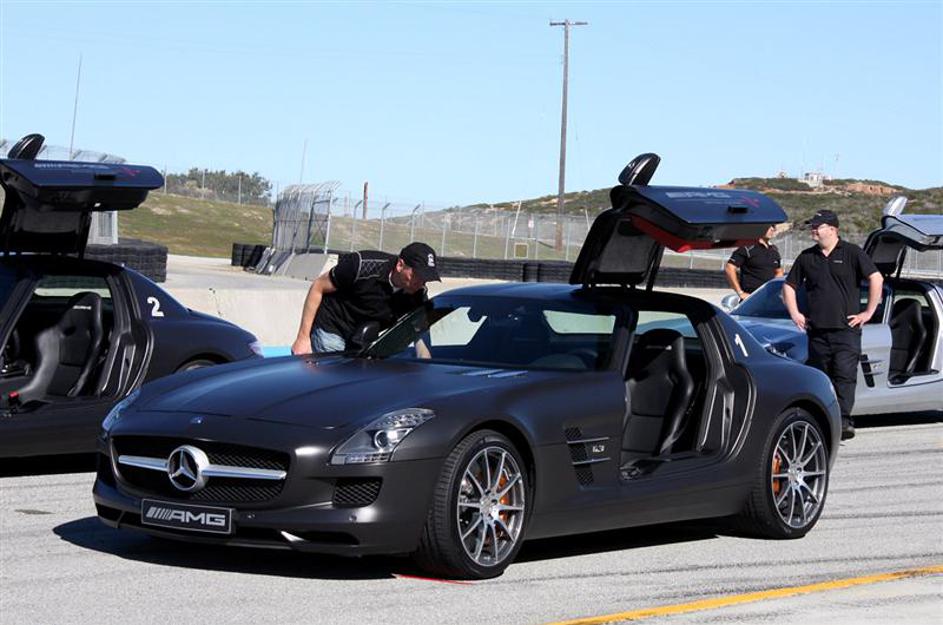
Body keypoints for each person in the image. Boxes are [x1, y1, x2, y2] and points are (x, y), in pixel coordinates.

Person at [782, 210, 883, 440]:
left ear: (833, 229)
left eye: (818, 226)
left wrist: (868, 312)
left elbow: (876, 278)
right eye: (812, 226)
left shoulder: (852, 253)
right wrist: (795, 313)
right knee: (821, 378)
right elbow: (788, 285)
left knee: (844, 376)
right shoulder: (807, 257)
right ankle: (821, 421)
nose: (813, 230)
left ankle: (843, 421)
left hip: (846, 331)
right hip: (817, 332)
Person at [291, 242, 440, 355]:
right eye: (417, 275)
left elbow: (419, 329)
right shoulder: (362, 265)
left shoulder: (417, 293)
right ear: (400, 265)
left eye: (425, 278)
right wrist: (303, 338)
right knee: (337, 380)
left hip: (363, 339)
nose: (421, 282)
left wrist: (424, 362)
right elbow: (318, 287)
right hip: (333, 329)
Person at [725, 225, 783, 300]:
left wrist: (774, 290)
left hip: (769, 298)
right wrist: (740, 293)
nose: (772, 229)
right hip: (752, 299)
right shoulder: (747, 248)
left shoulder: (774, 250)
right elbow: (729, 268)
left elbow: (779, 272)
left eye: (773, 226)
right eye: (769, 226)